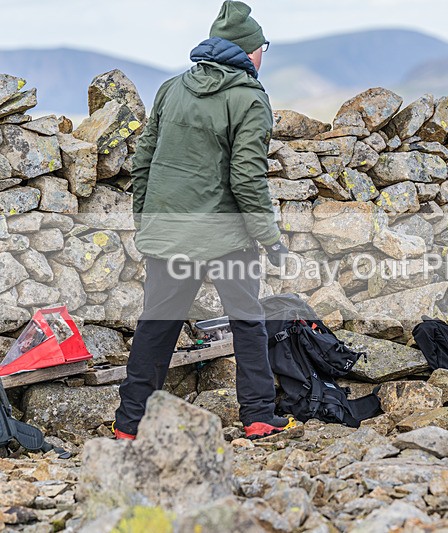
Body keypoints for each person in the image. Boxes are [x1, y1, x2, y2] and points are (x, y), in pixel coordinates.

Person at [114, 1, 290, 440]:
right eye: (262, 47)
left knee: (157, 326)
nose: (262, 55)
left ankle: (129, 424)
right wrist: (270, 239)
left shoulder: (172, 88)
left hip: (168, 233)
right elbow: (247, 178)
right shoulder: (250, 99)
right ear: (250, 51)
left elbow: (144, 161)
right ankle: (258, 416)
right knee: (248, 322)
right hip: (227, 237)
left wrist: (146, 222)